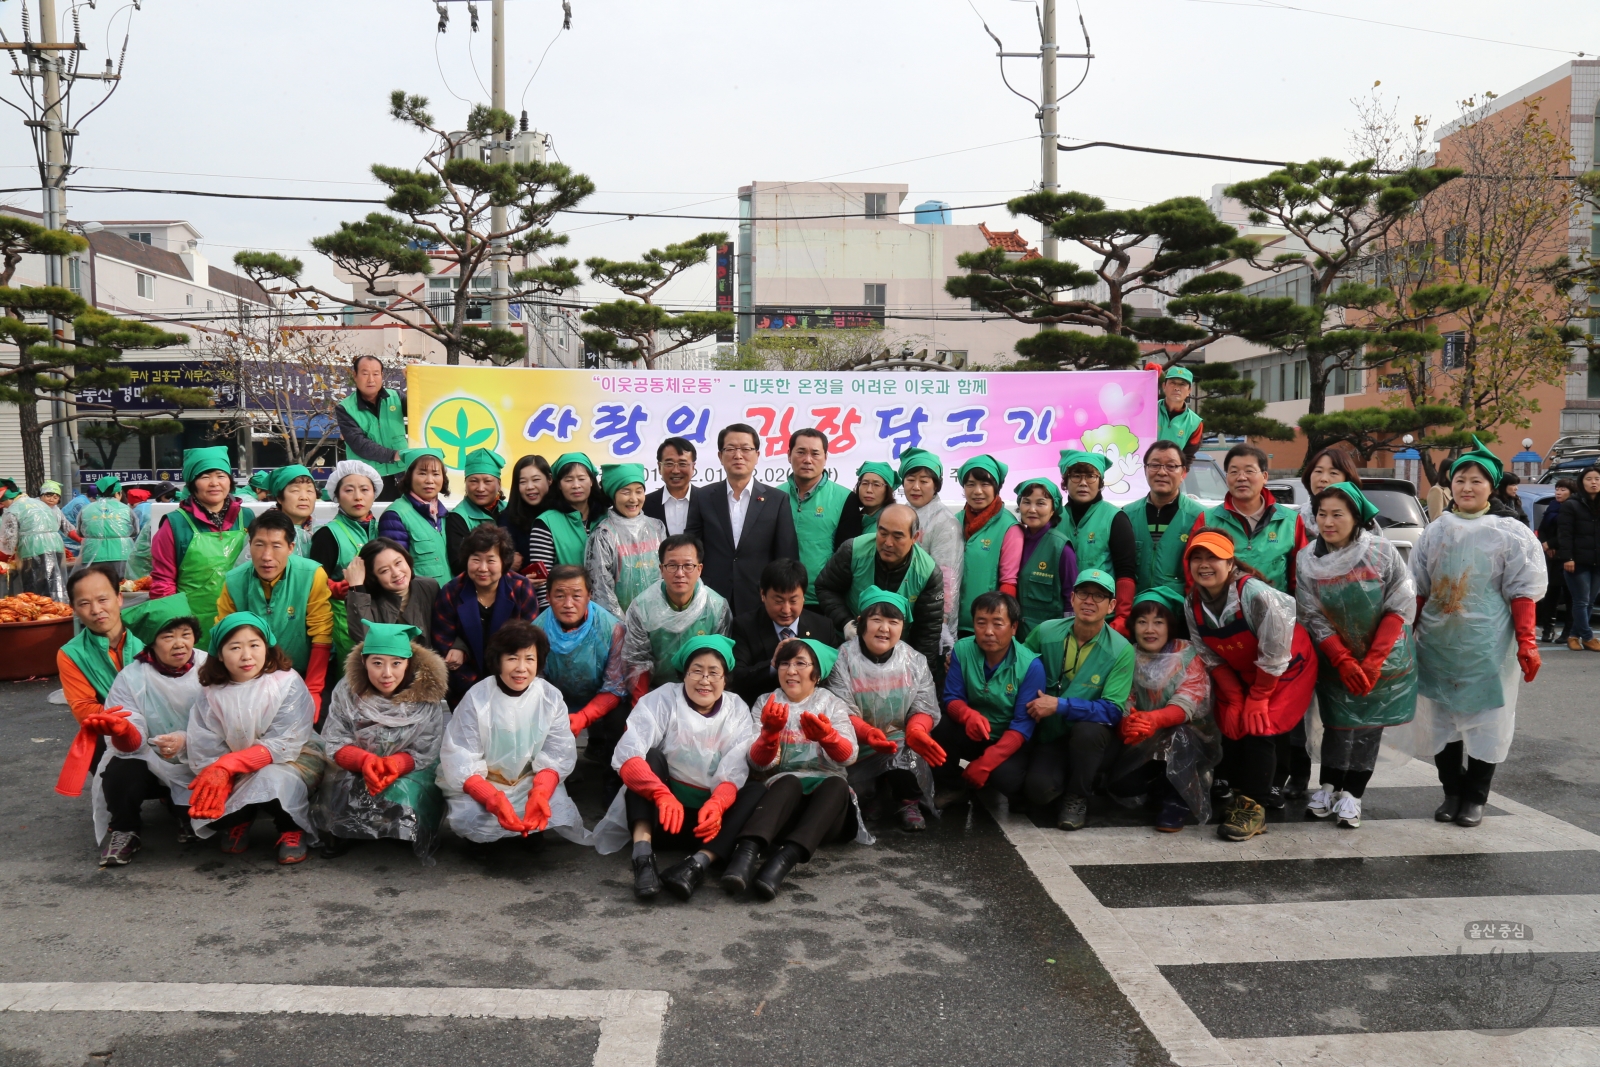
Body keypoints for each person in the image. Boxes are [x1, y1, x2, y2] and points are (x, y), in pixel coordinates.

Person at [1412, 440, 1544, 828]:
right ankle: (1451, 791)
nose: (1467, 487)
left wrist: (1527, 642)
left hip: (1489, 644)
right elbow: (1418, 589)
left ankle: (1476, 797)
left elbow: (1523, 590)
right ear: (1450, 486)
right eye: (1460, 480)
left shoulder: (1511, 534)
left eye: (1476, 481)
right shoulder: (1435, 531)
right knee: (1441, 722)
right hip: (1437, 641)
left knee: (1488, 721)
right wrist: (1406, 636)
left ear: (1492, 486)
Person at [594, 634, 766, 902]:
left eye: (713, 673)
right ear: (684, 674)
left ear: (725, 679)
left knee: (754, 789)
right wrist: (659, 793)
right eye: (696, 671)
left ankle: (696, 865)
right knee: (649, 758)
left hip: (706, 827)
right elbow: (628, 753)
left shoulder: (737, 710)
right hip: (662, 820)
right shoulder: (661, 699)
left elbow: (733, 768)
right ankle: (643, 857)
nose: (705, 680)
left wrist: (719, 803)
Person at [1295, 482, 1418, 830]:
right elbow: (1311, 613)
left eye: (1338, 514)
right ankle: (1329, 787)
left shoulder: (1381, 552)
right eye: (1322, 514)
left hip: (1383, 655)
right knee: (1337, 723)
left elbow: (1400, 603)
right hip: (1335, 656)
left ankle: (1353, 794)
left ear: (1356, 517)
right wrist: (1342, 657)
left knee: (1367, 726)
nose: (1328, 522)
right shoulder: (1308, 558)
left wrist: (1374, 659)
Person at [1183, 528, 1318, 842]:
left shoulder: (1255, 594)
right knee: (1232, 723)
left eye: (1213, 557)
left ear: (1230, 563)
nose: (1204, 564)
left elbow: (1274, 652)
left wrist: (1258, 696)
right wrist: (1232, 697)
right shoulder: (1192, 603)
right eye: (1197, 558)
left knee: (1261, 726)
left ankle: (1254, 808)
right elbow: (1209, 655)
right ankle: (1239, 790)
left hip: (1287, 667)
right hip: (1245, 667)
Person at [729, 638, 864, 900]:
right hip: (780, 812)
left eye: (800, 663)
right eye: (784, 663)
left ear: (817, 672)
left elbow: (849, 757)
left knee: (837, 785)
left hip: (825, 817)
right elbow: (757, 763)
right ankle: (745, 855)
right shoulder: (765, 702)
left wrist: (829, 738)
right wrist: (769, 735)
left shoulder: (832, 704)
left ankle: (782, 861)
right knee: (788, 780)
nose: (791, 671)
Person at [436, 620, 588, 846]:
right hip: (486, 782)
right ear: (497, 661)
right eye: (512, 658)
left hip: (531, 781)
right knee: (468, 817)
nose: (521, 668)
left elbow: (557, 753)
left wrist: (541, 791)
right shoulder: (477, 698)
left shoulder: (550, 697)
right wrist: (491, 799)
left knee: (557, 809)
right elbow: (461, 757)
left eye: (530, 659)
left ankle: (532, 829)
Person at [185, 612, 322, 863]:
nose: (246, 656)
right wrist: (220, 770)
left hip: (289, 760)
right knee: (207, 806)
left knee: (272, 779)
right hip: (232, 765)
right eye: (235, 647)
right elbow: (205, 742)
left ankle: (291, 827)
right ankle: (242, 819)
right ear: (220, 653)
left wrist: (229, 765)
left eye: (254, 645)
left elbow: (285, 742)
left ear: (267, 647)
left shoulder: (286, 681)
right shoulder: (211, 692)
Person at [316, 622, 449, 861]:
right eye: (377, 663)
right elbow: (335, 740)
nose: (387, 673)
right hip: (356, 766)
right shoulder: (346, 692)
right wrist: (364, 760)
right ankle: (344, 831)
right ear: (364, 662)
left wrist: (395, 765)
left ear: (409, 664)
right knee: (343, 785)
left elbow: (426, 749)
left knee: (407, 793)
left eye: (396, 663)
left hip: (411, 770)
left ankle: (403, 829)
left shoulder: (427, 697)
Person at [89, 594, 206, 866]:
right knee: (119, 769)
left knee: (203, 815)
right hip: (149, 758)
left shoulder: (210, 667)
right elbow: (131, 735)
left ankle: (183, 815)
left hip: (201, 757)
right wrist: (123, 731)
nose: (180, 644)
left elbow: (223, 723)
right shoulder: (131, 677)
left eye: (186, 634)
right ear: (152, 642)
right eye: (168, 637)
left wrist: (186, 741)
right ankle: (125, 829)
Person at [1017, 570, 1136, 830]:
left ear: (1112, 605)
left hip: (1094, 741)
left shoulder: (1121, 650)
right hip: (1051, 735)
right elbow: (1016, 665)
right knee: (1038, 791)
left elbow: (1112, 711)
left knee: (1087, 731)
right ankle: (1063, 778)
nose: (1089, 601)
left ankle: (1078, 795)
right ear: (1072, 598)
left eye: (1099, 595)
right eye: (1083, 593)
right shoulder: (1046, 632)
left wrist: (1059, 705)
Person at [825, 587, 944, 832]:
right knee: (856, 777)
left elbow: (923, 704)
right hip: (858, 739)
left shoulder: (914, 661)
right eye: (876, 620)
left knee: (906, 757)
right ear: (861, 623)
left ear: (903, 627)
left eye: (893, 621)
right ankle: (870, 796)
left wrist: (917, 730)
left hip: (900, 738)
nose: (884, 628)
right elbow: (839, 708)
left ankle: (907, 802)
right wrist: (867, 733)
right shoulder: (843, 659)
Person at [1105, 587, 1221, 833]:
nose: (1150, 629)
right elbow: (1123, 700)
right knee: (1121, 785)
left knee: (1181, 735)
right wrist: (1128, 724)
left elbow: (1187, 703)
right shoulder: (1128, 654)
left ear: (1169, 625)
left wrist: (1153, 719)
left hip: (1188, 739)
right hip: (1143, 739)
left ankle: (1176, 802)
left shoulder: (1188, 653)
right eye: (1142, 622)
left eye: (1158, 622)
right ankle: (1161, 786)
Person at [215, 509, 334, 719]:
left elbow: (321, 633)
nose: (266, 556)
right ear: (249, 545)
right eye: (259, 545)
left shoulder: (311, 574)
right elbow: (224, 634)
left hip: (302, 672)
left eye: (276, 546)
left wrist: (313, 690)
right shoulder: (235, 581)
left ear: (291, 547)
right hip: (251, 677)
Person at [933, 591, 1046, 802]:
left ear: (1014, 627)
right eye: (981, 622)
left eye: (998, 623)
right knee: (939, 726)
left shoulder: (1031, 666)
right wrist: (968, 716)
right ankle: (954, 784)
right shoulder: (962, 650)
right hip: (971, 734)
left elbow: (1022, 726)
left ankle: (984, 774)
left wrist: (986, 763)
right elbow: (951, 697)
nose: (988, 632)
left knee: (1005, 779)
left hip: (1007, 738)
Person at [685, 423, 799, 618]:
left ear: (757, 455)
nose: (738, 455)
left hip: (759, 596)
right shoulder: (703, 497)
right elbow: (691, 546)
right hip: (710, 596)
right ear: (720, 456)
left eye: (746, 449)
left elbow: (786, 554)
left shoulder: (777, 500)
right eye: (730, 449)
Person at [813, 503, 944, 672]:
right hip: (847, 643)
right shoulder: (853, 551)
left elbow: (928, 633)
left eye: (898, 537)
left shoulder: (927, 573)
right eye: (882, 533)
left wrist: (922, 675)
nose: (888, 543)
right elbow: (825, 587)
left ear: (915, 537)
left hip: (898, 653)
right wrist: (845, 622)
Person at [53, 565, 143, 806]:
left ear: (119, 598)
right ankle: (123, 821)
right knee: (95, 740)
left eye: (103, 599)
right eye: (84, 603)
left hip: (165, 721)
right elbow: (84, 709)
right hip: (117, 729)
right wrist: (130, 722)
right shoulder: (71, 654)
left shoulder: (148, 634)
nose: (96, 610)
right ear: (74, 609)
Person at [149, 447, 256, 643]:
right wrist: (176, 628)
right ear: (193, 483)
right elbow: (163, 581)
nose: (214, 483)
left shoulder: (246, 517)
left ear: (230, 481)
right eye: (205, 476)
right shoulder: (175, 524)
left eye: (221, 475)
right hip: (193, 625)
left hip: (240, 618)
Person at [432, 524, 541, 705]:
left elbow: (530, 643)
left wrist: (503, 687)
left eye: (491, 560)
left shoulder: (521, 588)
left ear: (504, 562)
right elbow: (443, 642)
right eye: (476, 559)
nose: (483, 568)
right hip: (465, 689)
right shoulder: (451, 591)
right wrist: (478, 692)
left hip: (513, 684)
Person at [534, 565, 628, 767]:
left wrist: (584, 717)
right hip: (556, 700)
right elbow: (534, 685)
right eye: (559, 596)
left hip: (600, 697)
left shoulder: (612, 628)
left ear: (589, 596)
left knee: (620, 716)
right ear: (548, 597)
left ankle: (612, 776)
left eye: (577, 595)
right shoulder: (536, 632)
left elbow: (615, 686)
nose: (568, 604)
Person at [621, 534, 732, 699]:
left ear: (699, 569)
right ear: (661, 569)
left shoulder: (716, 607)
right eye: (672, 565)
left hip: (702, 691)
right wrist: (642, 705)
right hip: (655, 692)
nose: (680, 573)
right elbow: (637, 661)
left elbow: (720, 663)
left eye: (688, 565)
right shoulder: (642, 607)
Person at [1190, 444, 1308, 595]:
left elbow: (1300, 579)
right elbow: (1192, 573)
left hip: (1275, 614)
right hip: (1222, 614)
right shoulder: (1208, 520)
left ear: (1265, 477)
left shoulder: (1289, 521)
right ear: (1226, 477)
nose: (1241, 477)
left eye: (1249, 471)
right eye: (1234, 472)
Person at [730, 559, 840, 704]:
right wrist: (772, 665)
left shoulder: (823, 627)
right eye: (778, 601)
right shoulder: (745, 626)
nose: (786, 610)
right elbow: (736, 678)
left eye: (793, 601)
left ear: (804, 596)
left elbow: (835, 677)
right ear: (763, 594)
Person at [308, 460, 383, 671]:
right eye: (349, 490)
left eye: (364, 489)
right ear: (337, 495)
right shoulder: (328, 534)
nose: (358, 497)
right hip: (345, 622)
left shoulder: (383, 529)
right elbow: (316, 582)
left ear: (374, 493)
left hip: (383, 617)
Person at [1057, 450, 1137, 633]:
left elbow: (1126, 572)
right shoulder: (1055, 519)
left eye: (1091, 476)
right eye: (1076, 476)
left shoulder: (1115, 518)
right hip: (1061, 617)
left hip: (1103, 619)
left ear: (1100, 482)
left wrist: (1122, 617)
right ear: (1066, 482)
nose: (1083, 483)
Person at [898, 448, 962, 654]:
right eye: (910, 479)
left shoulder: (944, 521)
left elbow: (947, 577)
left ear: (936, 485)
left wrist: (942, 622)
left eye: (924, 481)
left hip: (928, 615)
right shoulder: (902, 513)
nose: (916, 487)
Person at [1123, 440, 1205, 596]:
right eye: (1155, 465)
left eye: (1171, 466)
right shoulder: (1126, 515)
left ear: (1184, 473)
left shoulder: (1199, 517)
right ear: (1145, 470)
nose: (1162, 472)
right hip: (1136, 608)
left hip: (1178, 608)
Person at [586, 462, 668, 617]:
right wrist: (621, 625)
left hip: (658, 619)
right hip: (620, 626)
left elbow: (666, 573)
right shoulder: (603, 534)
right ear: (613, 494)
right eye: (626, 492)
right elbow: (602, 590)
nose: (633, 499)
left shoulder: (657, 528)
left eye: (639, 491)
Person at [780, 428, 850, 605]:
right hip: (781, 598)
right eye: (801, 452)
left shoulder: (845, 498)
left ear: (825, 457)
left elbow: (847, 558)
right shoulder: (774, 496)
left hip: (823, 599)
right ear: (789, 455)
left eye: (815, 454)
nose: (807, 460)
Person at [999, 478, 1078, 636]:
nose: (1032, 509)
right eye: (1026, 502)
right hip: (1014, 636)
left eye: (1040, 503)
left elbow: (1072, 599)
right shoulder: (1012, 539)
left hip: (1048, 636)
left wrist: (1069, 635)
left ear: (1053, 508)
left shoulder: (1060, 547)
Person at [334, 353, 409, 501]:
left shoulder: (397, 398)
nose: (371, 379)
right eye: (365, 373)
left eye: (376, 374)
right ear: (355, 376)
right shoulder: (345, 408)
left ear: (382, 375)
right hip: (367, 479)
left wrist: (414, 379)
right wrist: (393, 455)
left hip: (402, 475)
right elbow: (358, 443)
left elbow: (421, 410)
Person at [956, 455, 1017, 636]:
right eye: (971, 484)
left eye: (985, 484)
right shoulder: (954, 521)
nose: (977, 491)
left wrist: (1002, 625)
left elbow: (1009, 581)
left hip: (987, 628)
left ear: (996, 487)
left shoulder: (1009, 527)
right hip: (951, 623)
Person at [527, 453, 608, 586]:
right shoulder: (545, 523)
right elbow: (542, 582)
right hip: (564, 603)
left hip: (606, 605)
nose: (576, 485)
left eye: (581, 478)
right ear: (558, 484)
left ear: (592, 481)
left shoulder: (606, 517)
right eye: (568, 480)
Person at [345, 537, 440, 646]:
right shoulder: (362, 599)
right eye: (384, 570)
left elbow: (448, 625)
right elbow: (364, 638)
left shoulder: (429, 586)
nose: (396, 573)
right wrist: (356, 586)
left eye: (398, 563)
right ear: (373, 577)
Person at [376, 448, 451, 582]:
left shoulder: (445, 515)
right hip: (421, 600)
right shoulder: (395, 516)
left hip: (449, 599)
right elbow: (395, 570)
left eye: (436, 474)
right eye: (422, 473)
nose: (429, 480)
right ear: (409, 477)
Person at [0, 479, 69, 601]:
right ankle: (60, 614)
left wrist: (5, 557)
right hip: (56, 548)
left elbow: (8, 543)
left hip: (33, 550)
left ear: (5, 499)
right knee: (55, 586)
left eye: (2, 502)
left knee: (35, 592)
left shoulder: (13, 509)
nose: (3, 506)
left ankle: (42, 618)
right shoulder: (38, 503)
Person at [1557, 465, 1600, 652]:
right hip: (1577, 561)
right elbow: (1564, 534)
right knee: (1581, 601)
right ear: (1582, 482)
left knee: (1590, 601)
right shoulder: (1571, 504)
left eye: (1597, 479)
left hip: (1597, 560)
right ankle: (1588, 637)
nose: (1594, 482)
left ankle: (1574, 636)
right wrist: (1568, 557)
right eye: (1589, 479)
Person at [446, 448, 506, 576]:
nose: (480, 488)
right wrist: (507, 562)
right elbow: (458, 564)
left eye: (487, 481)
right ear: (465, 483)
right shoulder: (458, 518)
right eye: (473, 481)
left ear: (499, 485)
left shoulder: (509, 510)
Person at [1536, 478, 1575, 643]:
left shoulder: (1574, 508)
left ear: (1572, 492)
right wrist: (1545, 544)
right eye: (1557, 489)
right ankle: (1548, 629)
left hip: (1567, 555)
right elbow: (1543, 528)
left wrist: (1551, 543)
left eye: (1563, 490)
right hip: (1550, 557)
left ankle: (1568, 631)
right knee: (1550, 594)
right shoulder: (1552, 507)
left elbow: (1568, 532)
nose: (1558, 492)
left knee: (1569, 596)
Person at [75, 475, 137, 578]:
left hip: (92, 554)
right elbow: (135, 531)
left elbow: (80, 532)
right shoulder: (126, 509)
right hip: (121, 553)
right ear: (118, 493)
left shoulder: (86, 509)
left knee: (96, 586)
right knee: (120, 585)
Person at [500, 454, 553, 571]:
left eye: (536, 480)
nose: (529, 487)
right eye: (522, 482)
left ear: (549, 479)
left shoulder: (561, 513)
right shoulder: (507, 518)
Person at [832, 461, 898, 550]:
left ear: (888, 490)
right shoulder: (851, 518)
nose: (869, 490)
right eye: (865, 483)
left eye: (876, 485)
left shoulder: (893, 521)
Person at [644, 437, 699, 537]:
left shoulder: (708, 502)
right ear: (659, 467)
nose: (676, 471)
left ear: (693, 467)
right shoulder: (644, 505)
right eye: (669, 464)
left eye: (682, 464)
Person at [1299, 446, 1363, 527]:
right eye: (1318, 471)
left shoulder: (1363, 521)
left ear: (1347, 480)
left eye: (1333, 473)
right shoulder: (1292, 519)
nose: (1323, 479)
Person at [1153, 364, 1204, 464]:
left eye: (1182, 384)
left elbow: (1188, 457)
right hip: (1143, 471)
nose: (1177, 388)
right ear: (1164, 386)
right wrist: (1147, 376)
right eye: (1172, 383)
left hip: (1171, 475)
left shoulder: (1195, 423)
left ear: (1189, 390)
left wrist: (1179, 476)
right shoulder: (1149, 410)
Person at [266, 465, 319, 557]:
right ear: (279, 498)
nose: (304, 497)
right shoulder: (265, 530)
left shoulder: (320, 532)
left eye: (309, 491)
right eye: (295, 490)